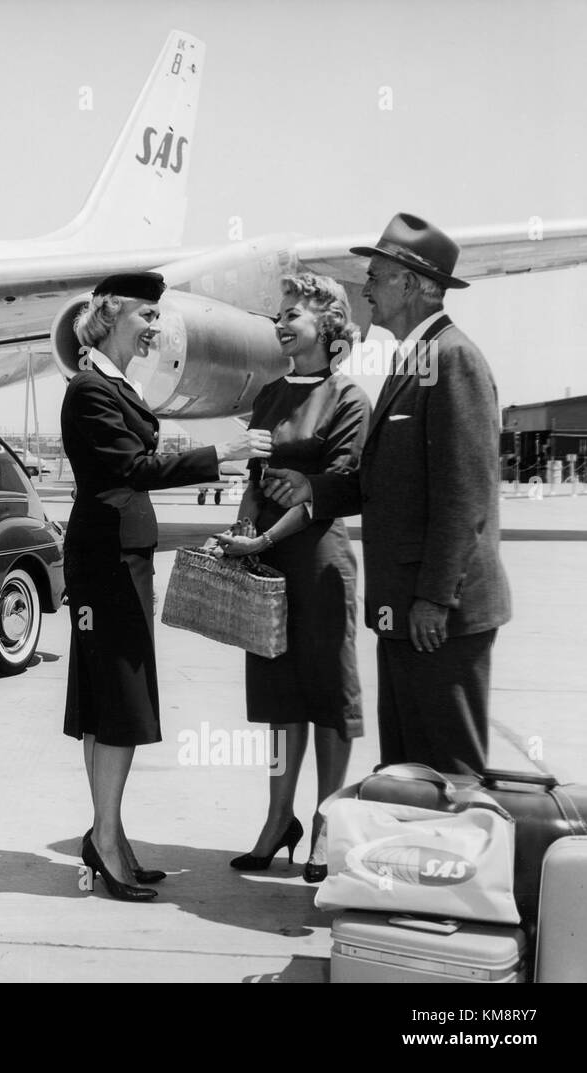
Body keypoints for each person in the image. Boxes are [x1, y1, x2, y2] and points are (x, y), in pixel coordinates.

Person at [264, 213, 511, 776]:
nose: (366, 288)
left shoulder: (455, 360)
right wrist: (314, 488)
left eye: (375, 276)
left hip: (440, 617)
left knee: (450, 777)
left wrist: (435, 599)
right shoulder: (413, 360)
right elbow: (383, 482)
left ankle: (455, 865)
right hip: (405, 611)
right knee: (408, 774)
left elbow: (464, 496)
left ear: (413, 284)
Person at [61, 273, 271, 901]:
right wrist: (220, 453)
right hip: (107, 565)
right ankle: (105, 843)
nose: (156, 326)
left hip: (119, 559)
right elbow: (131, 469)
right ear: (112, 315)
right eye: (147, 315)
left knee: (107, 703)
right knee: (118, 704)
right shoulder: (91, 389)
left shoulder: (115, 384)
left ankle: (109, 836)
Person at [214, 274, 370, 883]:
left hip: (320, 564)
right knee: (282, 701)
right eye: (279, 314)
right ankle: (279, 820)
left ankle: (326, 824)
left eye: (293, 315)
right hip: (271, 562)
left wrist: (264, 537)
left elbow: (330, 491)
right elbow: (257, 480)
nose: (280, 323)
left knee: (329, 699)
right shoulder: (270, 394)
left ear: (329, 330)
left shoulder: (349, 397)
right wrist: (238, 528)